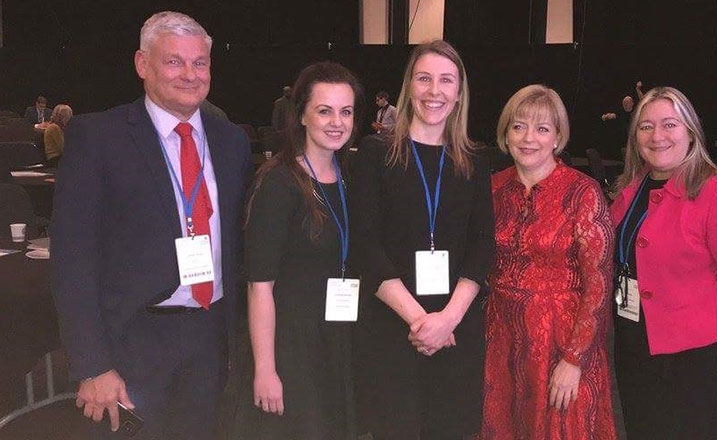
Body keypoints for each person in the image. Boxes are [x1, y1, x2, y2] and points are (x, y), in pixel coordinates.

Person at [50, 11, 251, 439]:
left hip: (210, 338)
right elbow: (72, 261)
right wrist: (92, 364)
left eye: (200, 63)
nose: (190, 74)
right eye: (174, 62)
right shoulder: (98, 137)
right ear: (143, 65)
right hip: (130, 343)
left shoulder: (231, 141)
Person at [350, 40, 495, 440]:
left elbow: (483, 244)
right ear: (409, 86)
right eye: (425, 78)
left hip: (456, 332)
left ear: (459, 91)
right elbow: (364, 244)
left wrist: (447, 319)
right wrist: (419, 321)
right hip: (392, 329)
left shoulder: (476, 160)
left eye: (446, 80)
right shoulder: (375, 154)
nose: (435, 91)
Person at [610, 86, 717, 440]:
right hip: (635, 347)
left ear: (691, 132)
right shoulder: (630, 190)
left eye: (670, 124)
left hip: (696, 356)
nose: (658, 136)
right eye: (646, 126)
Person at [481, 85, 616, 439]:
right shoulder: (491, 189)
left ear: (557, 137)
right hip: (502, 337)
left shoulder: (581, 192)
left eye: (542, 129)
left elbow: (598, 285)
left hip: (562, 340)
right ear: (506, 134)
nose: (529, 138)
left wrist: (573, 360)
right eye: (519, 126)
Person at [245, 61, 363, 440]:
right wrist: (265, 368)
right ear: (302, 117)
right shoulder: (279, 183)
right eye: (324, 110)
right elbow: (259, 285)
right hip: (293, 349)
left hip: (338, 341)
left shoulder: (348, 177)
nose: (337, 122)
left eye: (345, 111)